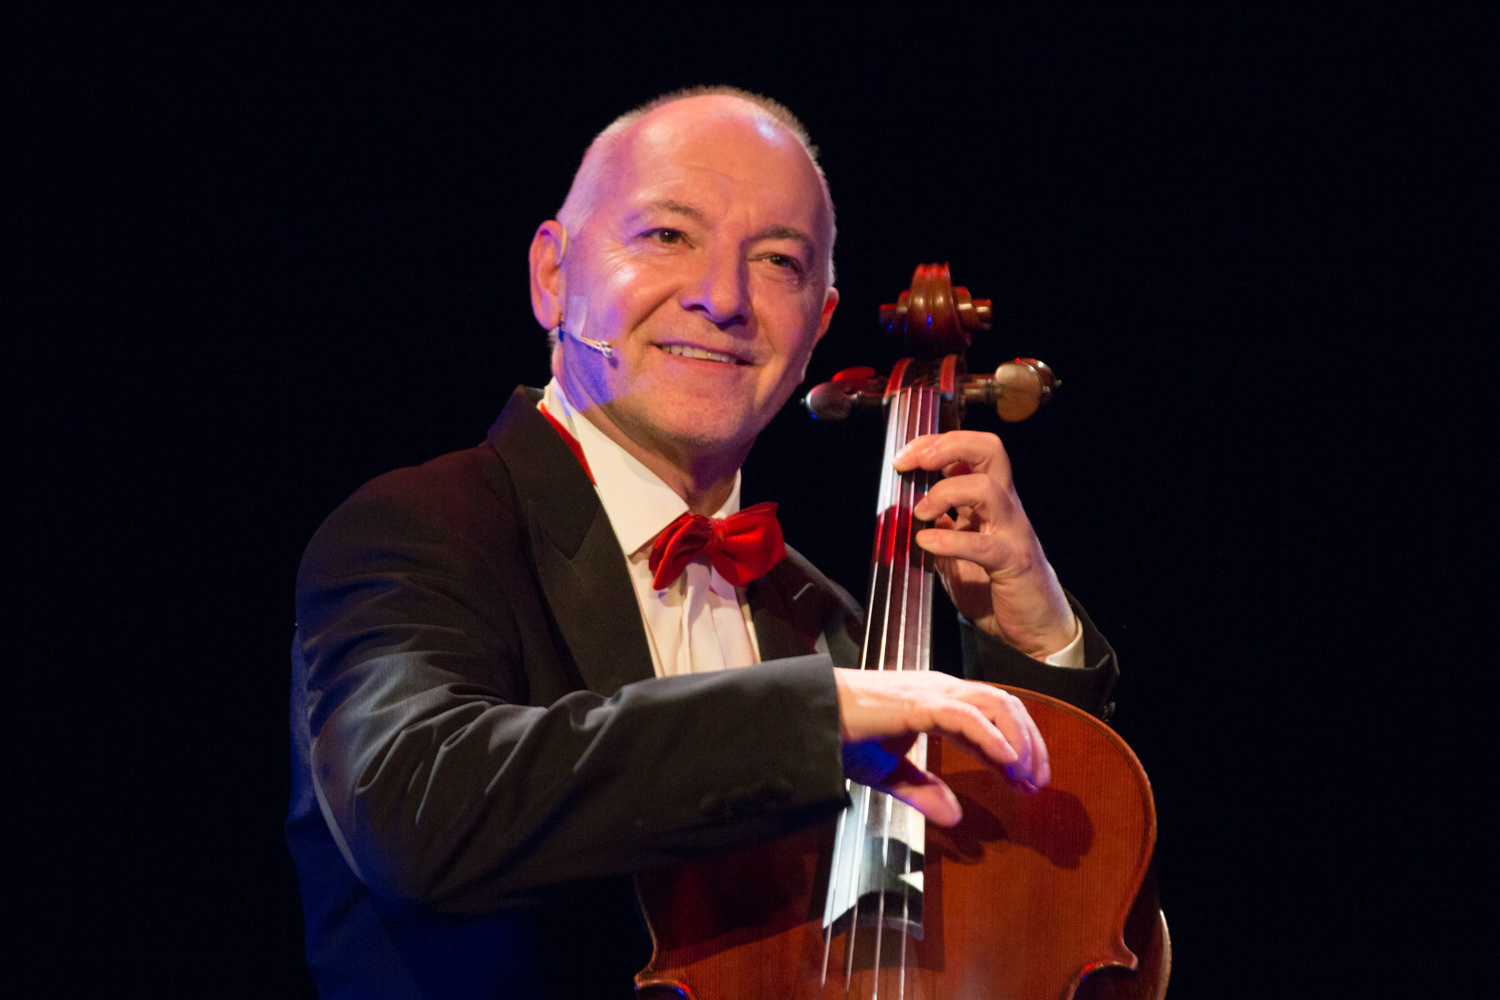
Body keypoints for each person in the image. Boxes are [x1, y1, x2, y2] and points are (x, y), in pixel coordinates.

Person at [286, 86, 1118, 999]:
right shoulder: (422, 531)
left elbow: (1019, 906)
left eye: (777, 261)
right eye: (667, 236)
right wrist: (806, 720)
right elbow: (418, 814)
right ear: (552, 275)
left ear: (817, 328)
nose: (723, 299)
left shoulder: (824, 624)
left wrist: (1034, 643)